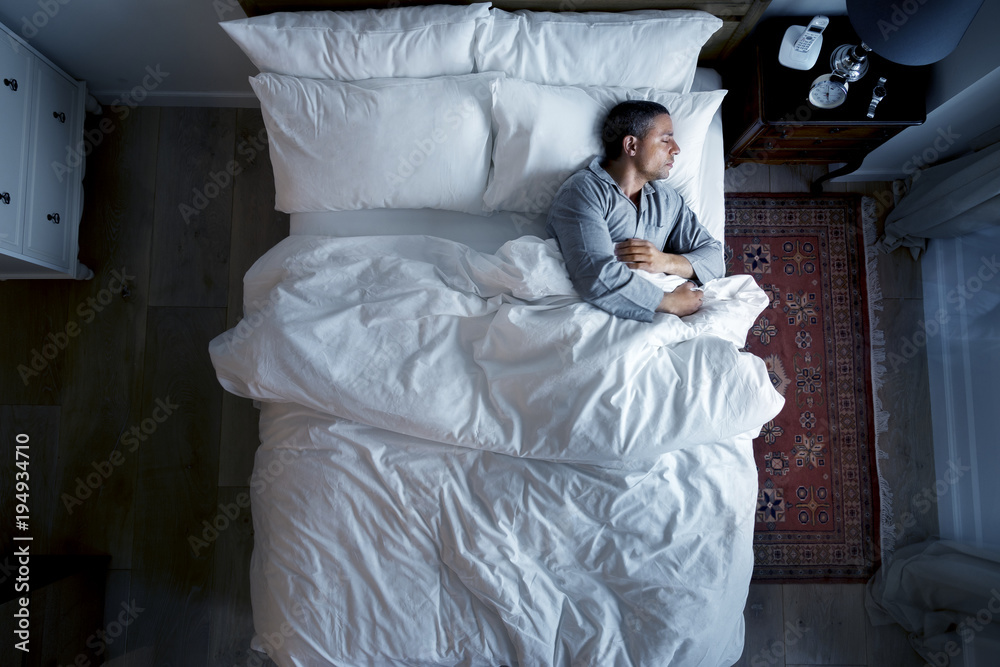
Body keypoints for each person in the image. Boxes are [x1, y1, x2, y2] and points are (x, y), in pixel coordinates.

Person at [545, 100, 724, 322]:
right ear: (631, 145)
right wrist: (668, 302)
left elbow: (716, 259)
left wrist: (663, 261)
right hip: (591, 315)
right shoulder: (584, 190)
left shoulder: (667, 200)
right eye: (666, 139)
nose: (676, 149)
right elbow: (593, 275)